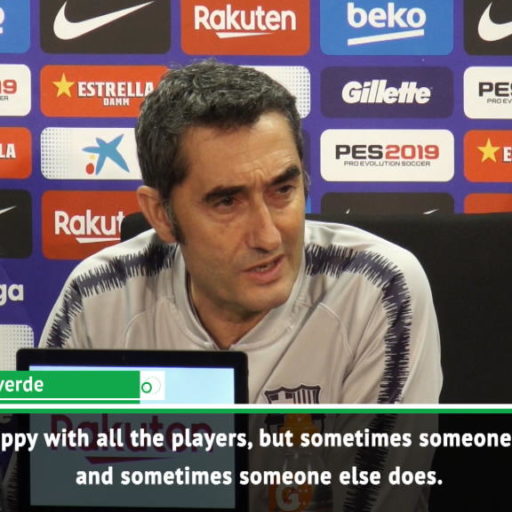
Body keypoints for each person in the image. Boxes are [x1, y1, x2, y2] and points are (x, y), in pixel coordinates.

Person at [39, 60, 442, 404]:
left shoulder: (377, 289)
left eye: (282, 190)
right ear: (161, 215)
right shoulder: (97, 297)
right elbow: (47, 470)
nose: (268, 237)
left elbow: (380, 478)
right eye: (227, 202)